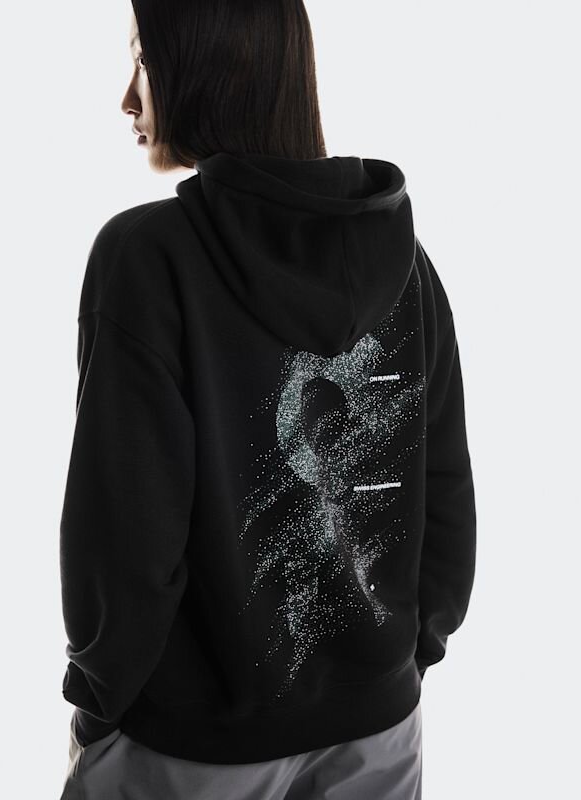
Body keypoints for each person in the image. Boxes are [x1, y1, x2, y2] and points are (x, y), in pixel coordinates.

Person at [58, 1, 477, 798]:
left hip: (193, 746)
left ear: (205, 66)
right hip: (381, 734)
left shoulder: (148, 259)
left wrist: (99, 698)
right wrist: (404, 657)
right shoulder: (407, 264)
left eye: (143, 59)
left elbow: (123, 528)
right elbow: (446, 488)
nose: (127, 97)